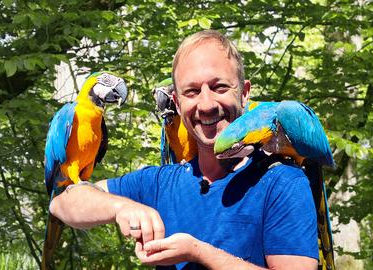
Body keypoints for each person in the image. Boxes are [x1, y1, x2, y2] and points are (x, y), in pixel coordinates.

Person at [50, 30, 319, 269]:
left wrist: (197, 252)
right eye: (191, 92)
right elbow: (62, 202)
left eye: (219, 87)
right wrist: (120, 207)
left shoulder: (283, 182)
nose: (206, 104)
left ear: (245, 94)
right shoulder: (159, 182)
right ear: (177, 105)